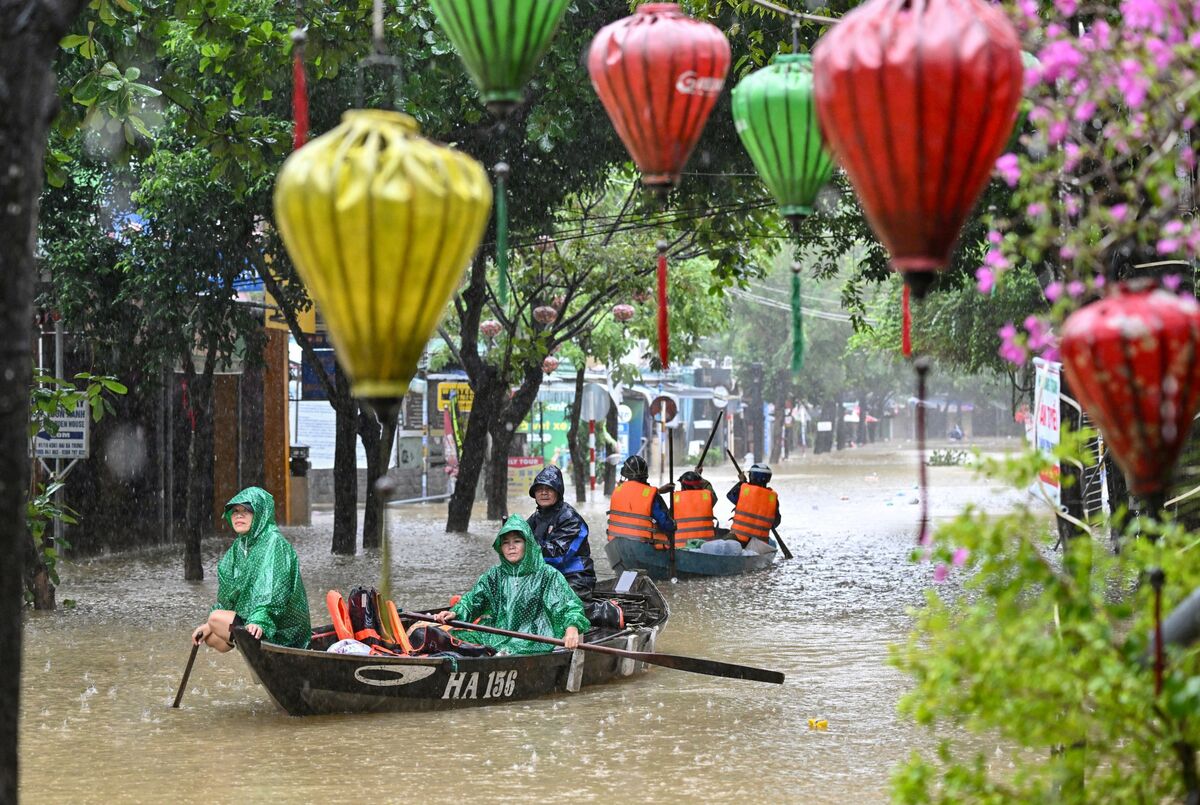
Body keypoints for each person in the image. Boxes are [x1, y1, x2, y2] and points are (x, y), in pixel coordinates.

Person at [434, 515, 589, 654]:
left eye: (517, 541)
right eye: (506, 542)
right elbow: (473, 601)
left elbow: (568, 606)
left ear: (527, 544)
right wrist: (455, 613)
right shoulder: (494, 574)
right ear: (500, 547)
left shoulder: (547, 574)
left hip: (533, 639)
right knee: (448, 637)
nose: (511, 547)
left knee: (511, 648)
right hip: (495, 634)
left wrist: (572, 627)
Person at [191, 486, 311, 651]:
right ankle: (249, 640)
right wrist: (208, 626)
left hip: (282, 629)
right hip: (252, 620)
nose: (239, 515)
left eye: (246, 510)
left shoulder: (274, 542)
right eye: (235, 511)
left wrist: (260, 620)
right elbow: (228, 594)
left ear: (260, 514)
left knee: (216, 618)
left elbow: (274, 590)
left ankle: (255, 639)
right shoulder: (238, 547)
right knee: (212, 637)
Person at [526, 465, 596, 599]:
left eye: (549, 489)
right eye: (539, 489)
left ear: (558, 492)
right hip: (546, 575)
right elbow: (520, 537)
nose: (544, 493)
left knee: (562, 605)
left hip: (574, 576)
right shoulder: (536, 517)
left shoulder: (572, 519)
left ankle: (607, 610)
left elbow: (557, 555)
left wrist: (526, 547)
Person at [607, 455, 679, 549]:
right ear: (645, 475)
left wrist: (658, 491)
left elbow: (635, 496)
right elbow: (666, 524)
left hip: (616, 546)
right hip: (644, 547)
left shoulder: (617, 491)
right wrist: (673, 524)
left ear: (625, 475)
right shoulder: (651, 496)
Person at [727, 463, 781, 550]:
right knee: (771, 543)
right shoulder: (773, 498)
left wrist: (741, 482)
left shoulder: (743, 489)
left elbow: (730, 496)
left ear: (752, 476)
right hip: (760, 543)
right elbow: (776, 522)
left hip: (738, 539)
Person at [673, 471, 717, 542]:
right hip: (706, 543)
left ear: (684, 486)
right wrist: (699, 476)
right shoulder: (707, 497)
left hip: (681, 544)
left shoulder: (676, 499)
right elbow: (710, 492)